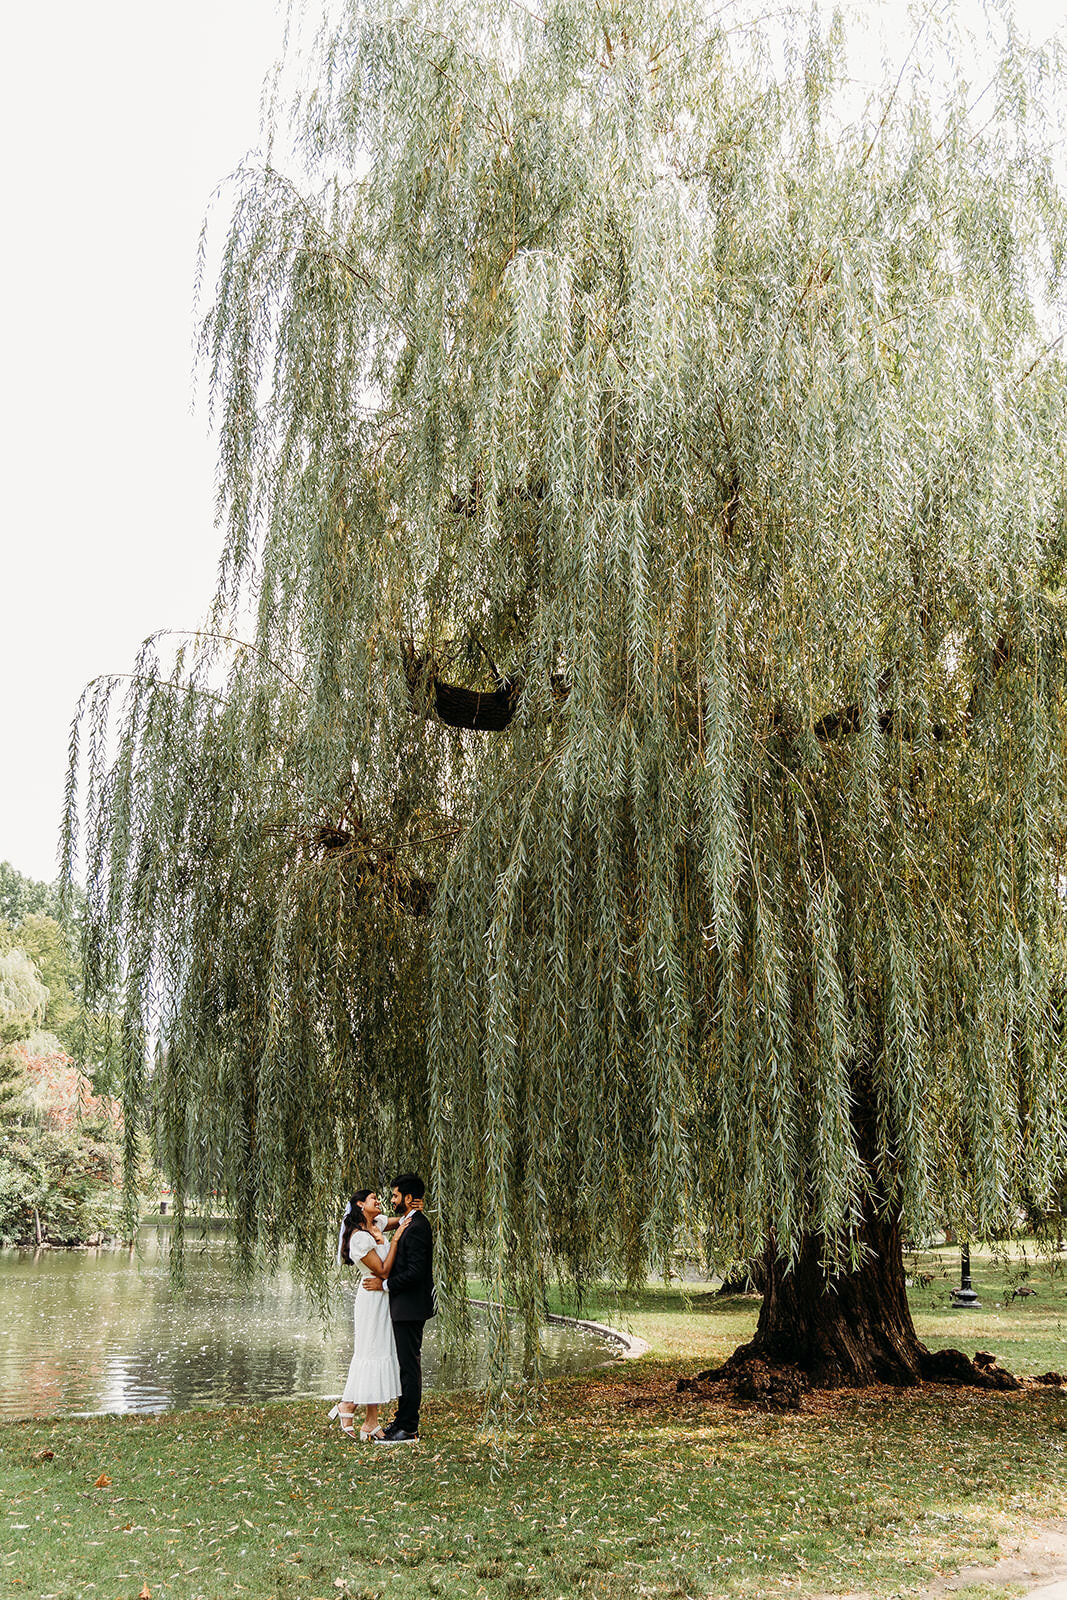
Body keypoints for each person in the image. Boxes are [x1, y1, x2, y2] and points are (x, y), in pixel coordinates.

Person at [328, 1190, 413, 1441]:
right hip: (372, 1298)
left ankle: (369, 1421)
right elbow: (384, 1271)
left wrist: (412, 1205)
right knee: (370, 1354)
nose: (379, 1201)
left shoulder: (377, 1223)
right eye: (373, 1198)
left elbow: (405, 1219)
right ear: (360, 1204)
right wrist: (394, 1240)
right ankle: (349, 1406)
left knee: (379, 1354)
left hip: (384, 1298)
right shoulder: (359, 1239)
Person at [363, 1172, 435, 1443]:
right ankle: (402, 1421)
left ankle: (408, 1427)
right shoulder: (408, 1221)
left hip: (411, 1307)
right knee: (403, 1365)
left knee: (408, 1366)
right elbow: (381, 1222)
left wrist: (383, 1285)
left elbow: (416, 1272)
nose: (391, 1200)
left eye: (395, 1195)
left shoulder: (418, 1226)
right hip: (404, 1306)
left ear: (407, 1198)